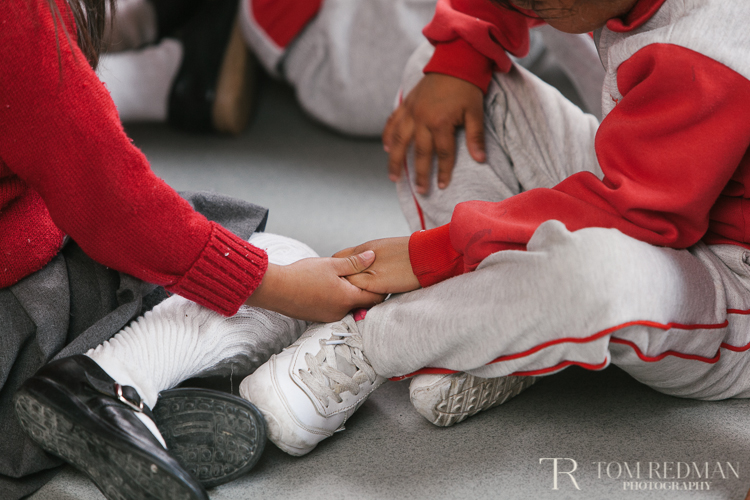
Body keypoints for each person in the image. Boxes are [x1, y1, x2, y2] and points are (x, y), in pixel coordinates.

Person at [237, 0, 750, 464]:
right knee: (437, 84)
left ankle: (373, 342)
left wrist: (435, 253)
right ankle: (483, 329)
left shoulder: (714, 45)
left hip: (729, 285)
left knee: (593, 273)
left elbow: (636, 217)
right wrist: (461, 52)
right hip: (642, 178)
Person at [0, 0, 384, 498]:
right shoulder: (16, 17)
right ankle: (108, 385)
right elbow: (118, 208)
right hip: (21, 313)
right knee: (282, 260)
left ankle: (124, 419)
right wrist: (283, 286)